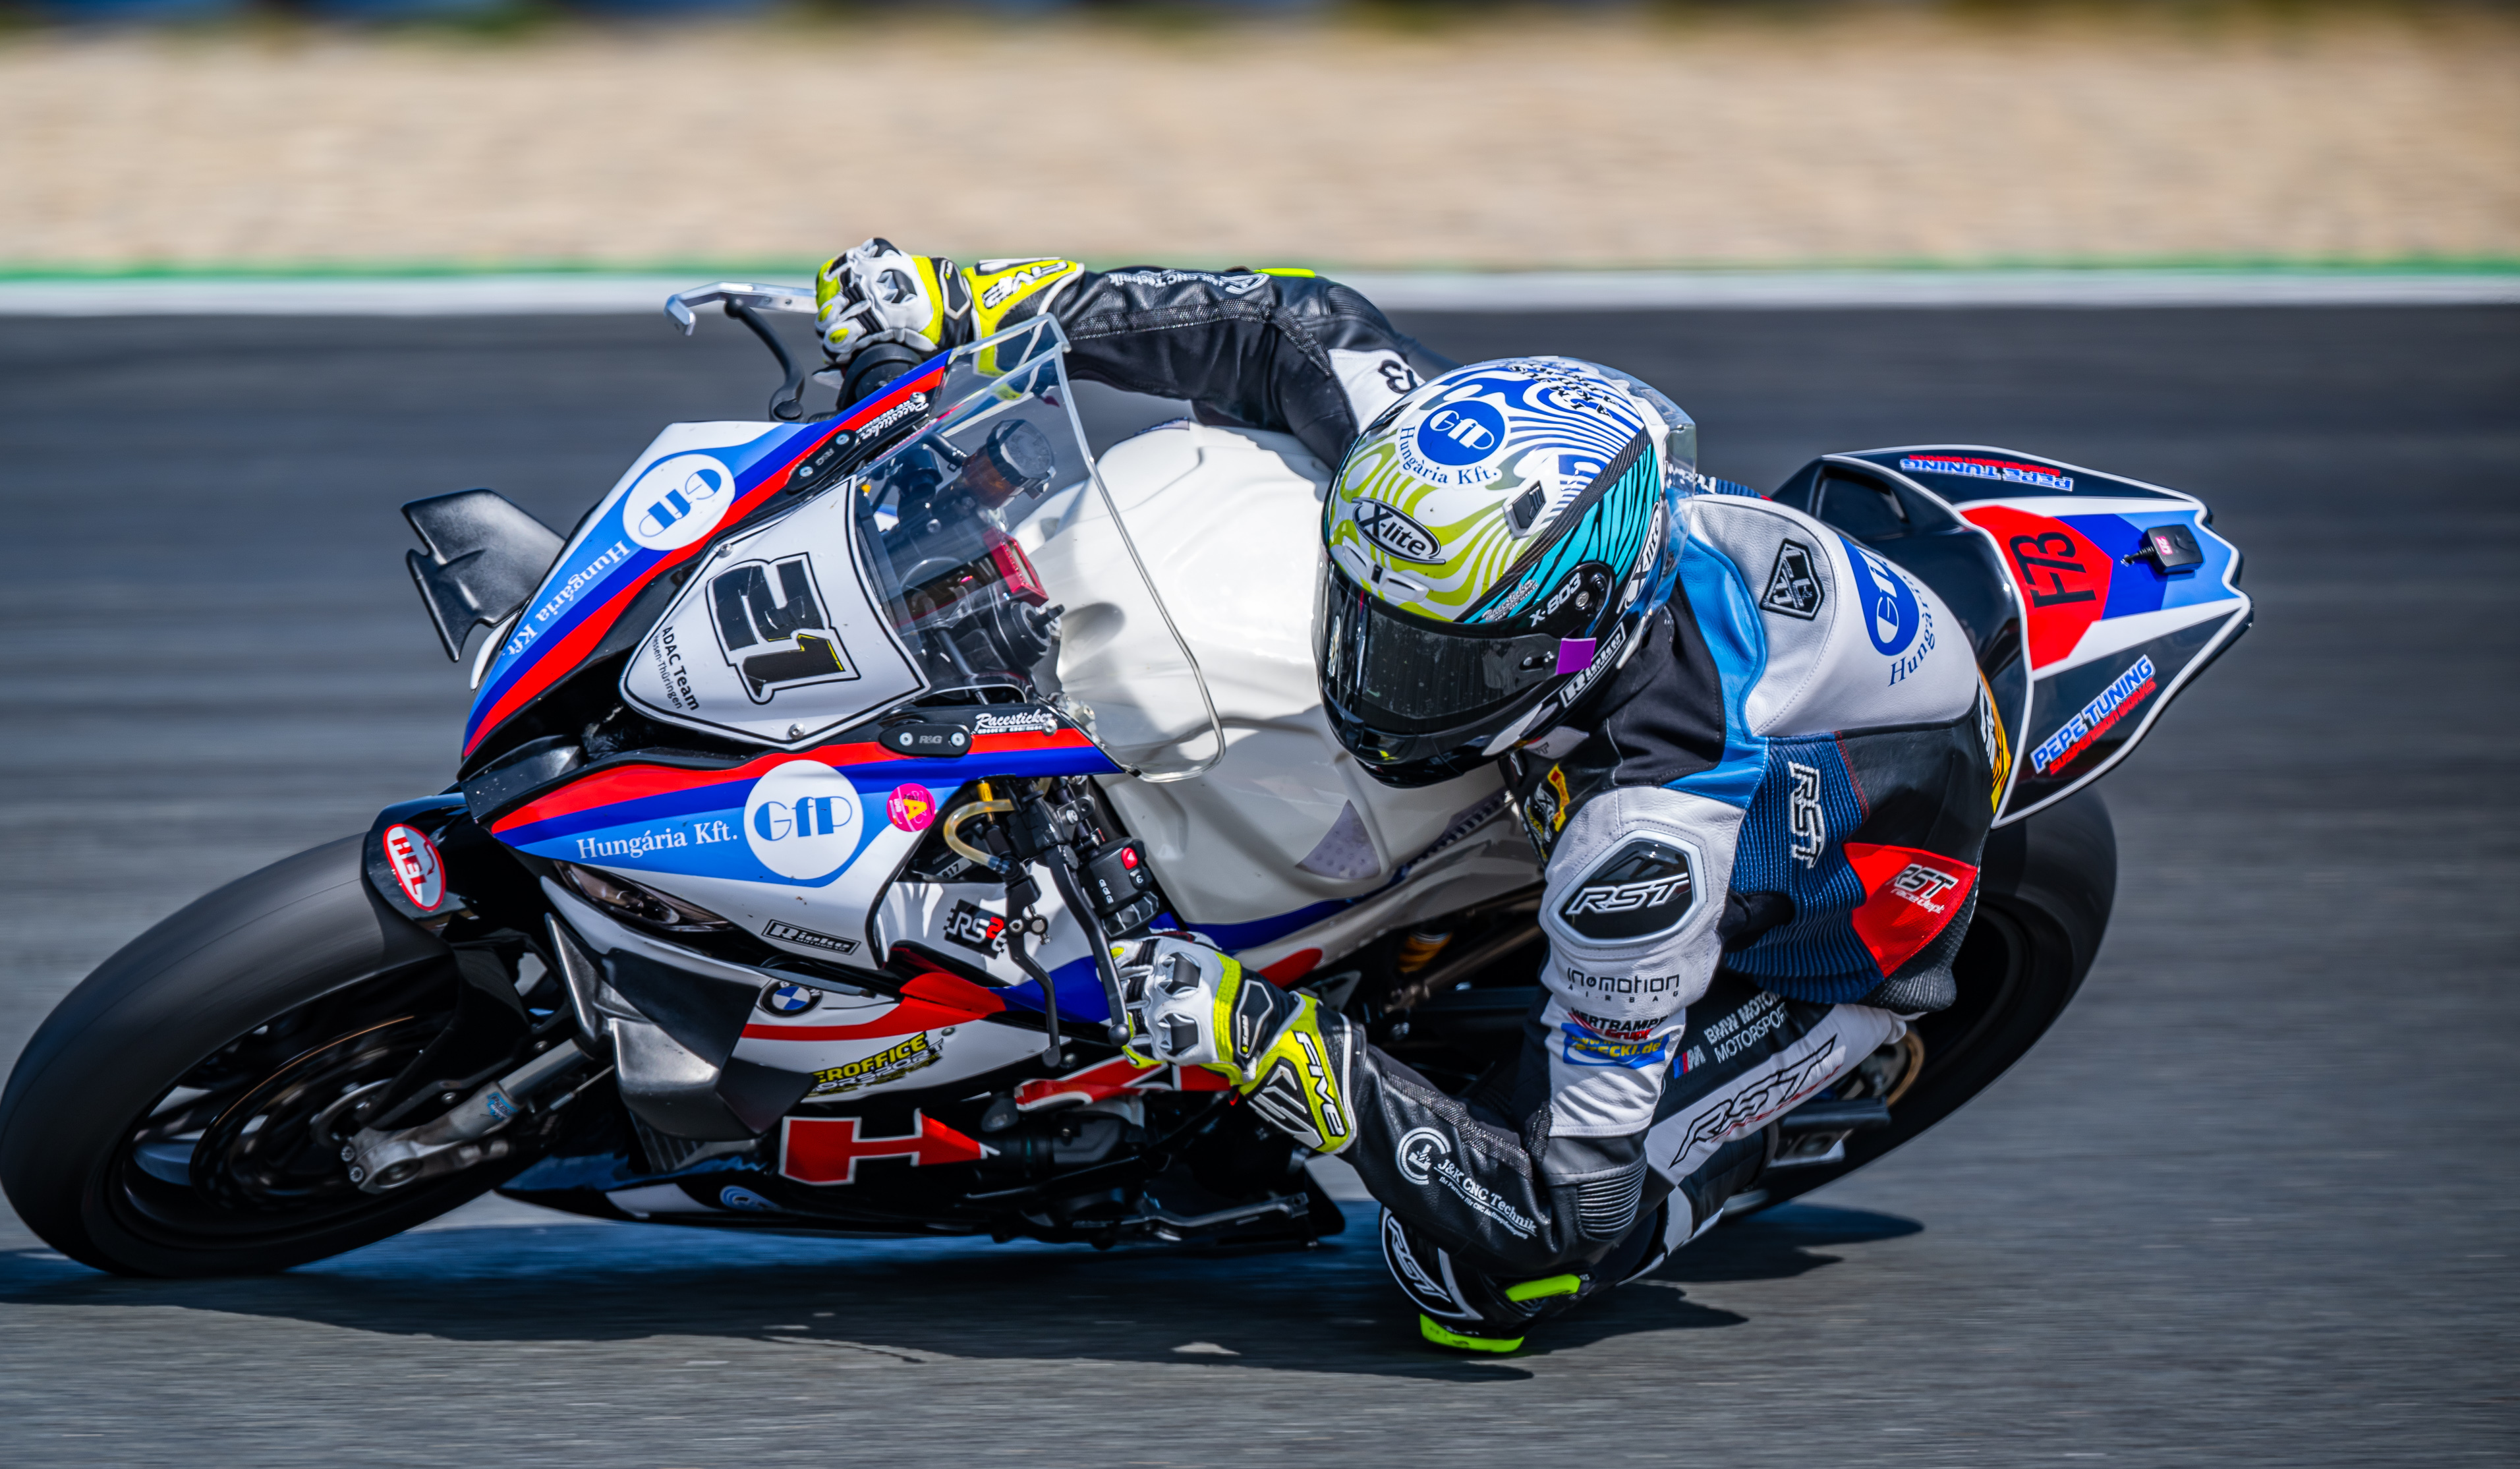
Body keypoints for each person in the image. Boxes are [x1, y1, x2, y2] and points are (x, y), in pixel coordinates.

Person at [815, 240, 2009, 1353]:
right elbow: (1290, 323)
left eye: (1438, 665)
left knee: (1479, 1281)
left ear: (1570, 642)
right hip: (1762, 675)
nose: (1380, 681)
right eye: (1368, 622)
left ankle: (1781, 1098)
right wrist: (973, 298)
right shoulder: (1461, 481)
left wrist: (1269, 1041)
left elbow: (1565, 1199)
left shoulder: (1644, 847)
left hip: (1830, 923)